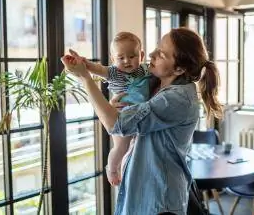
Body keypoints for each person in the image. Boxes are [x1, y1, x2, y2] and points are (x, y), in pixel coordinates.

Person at [61, 27, 222, 215]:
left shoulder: (176, 99)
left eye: (161, 54)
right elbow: (120, 122)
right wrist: (114, 106)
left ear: (179, 68)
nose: (152, 54)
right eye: (156, 48)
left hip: (159, 200)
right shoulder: (153, 83)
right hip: (142, 190)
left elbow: (115, 125)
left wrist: (85, 78)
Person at [70, 32, 149, 186]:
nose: (127, 61)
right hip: (121, 115)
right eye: (121, 58)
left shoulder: (145, 70)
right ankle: (112, 168)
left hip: (139, 116)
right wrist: (83, 62)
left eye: (132, 56)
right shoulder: (114, 72)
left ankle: (124, 169)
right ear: (113, 59)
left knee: (135, 148)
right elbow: (97, 69)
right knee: (121, 146)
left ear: (141, 55)